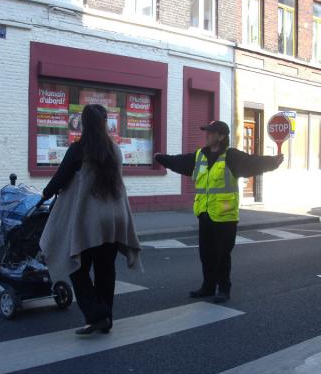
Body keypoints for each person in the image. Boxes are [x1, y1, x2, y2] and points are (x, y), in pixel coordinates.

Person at [155, 120, 284, 303]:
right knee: (206, 253)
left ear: (221, 136)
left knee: (222, 254)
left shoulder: (231, 156)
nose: (206, 135)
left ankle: (224, 288)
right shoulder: (200, 156)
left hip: (225, 215)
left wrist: (272, 161)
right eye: (206, 131)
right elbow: (180, 162)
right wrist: (162, 158)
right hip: (205, 213)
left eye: (210, 132)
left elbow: (251, 162)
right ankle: (207, 287)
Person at [40, 104, 141, 335]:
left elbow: (59, 180)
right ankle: (106, 318)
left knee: (77, 268)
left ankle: (96, 315)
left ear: (84, 123)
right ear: (105, 123)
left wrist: (45, 194)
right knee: (106, 271)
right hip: (115, 219)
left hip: (90, 221)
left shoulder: (78, 150)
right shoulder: (114, 150)